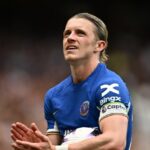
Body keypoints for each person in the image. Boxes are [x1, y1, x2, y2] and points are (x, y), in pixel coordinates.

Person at [11, 12, 133, 150]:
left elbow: (115, 141)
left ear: (99, 45)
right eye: (67, 34)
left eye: (80, 33)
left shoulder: (110, 86)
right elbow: (51, 147)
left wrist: (59, 149)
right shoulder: (54, 96)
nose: (70, 38)